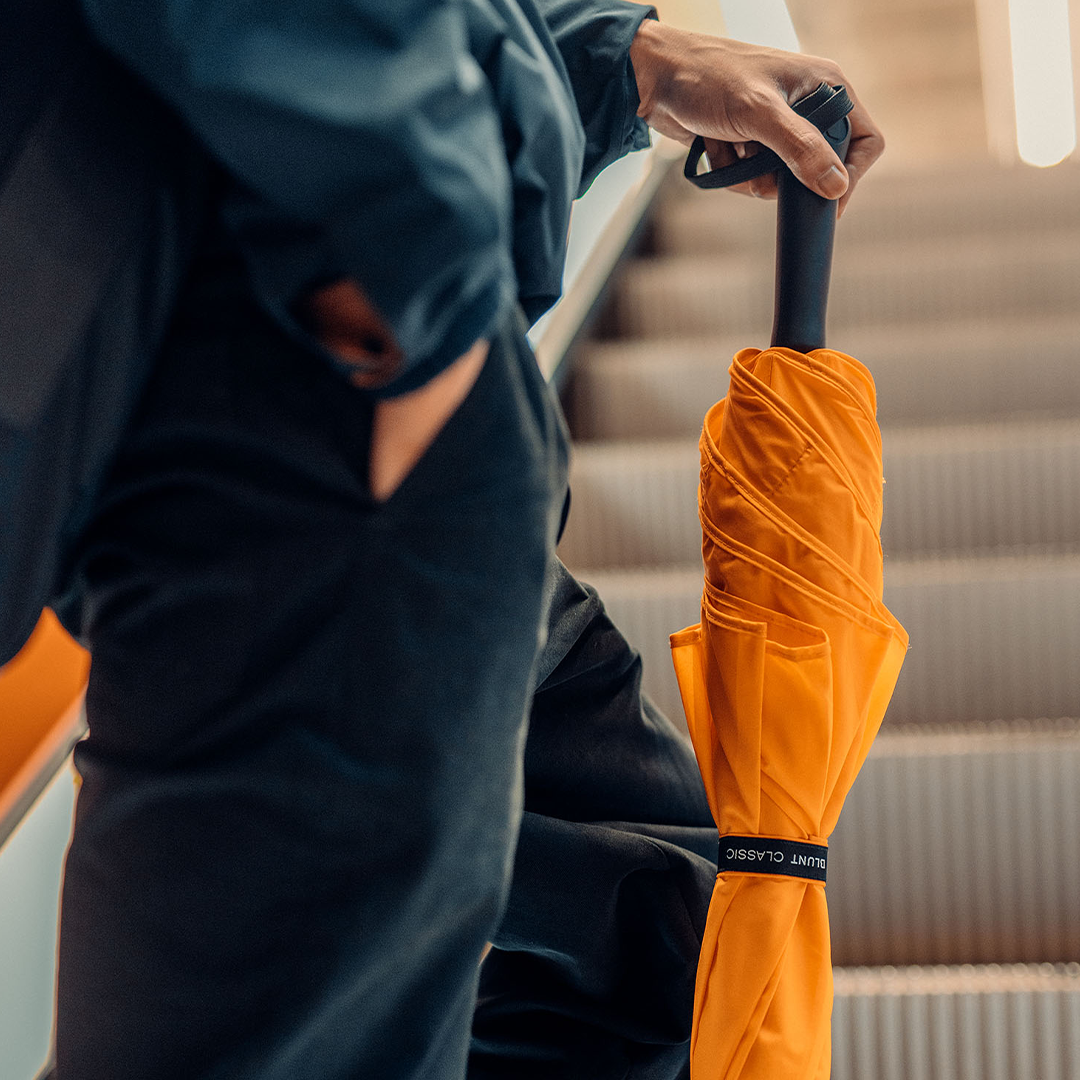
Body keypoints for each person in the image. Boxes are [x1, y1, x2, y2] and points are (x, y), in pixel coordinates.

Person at [36, 2, 884, 1077]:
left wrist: (625, 63)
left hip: (346, 360)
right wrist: (410, 265)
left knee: (653, 931)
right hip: (320, 396)